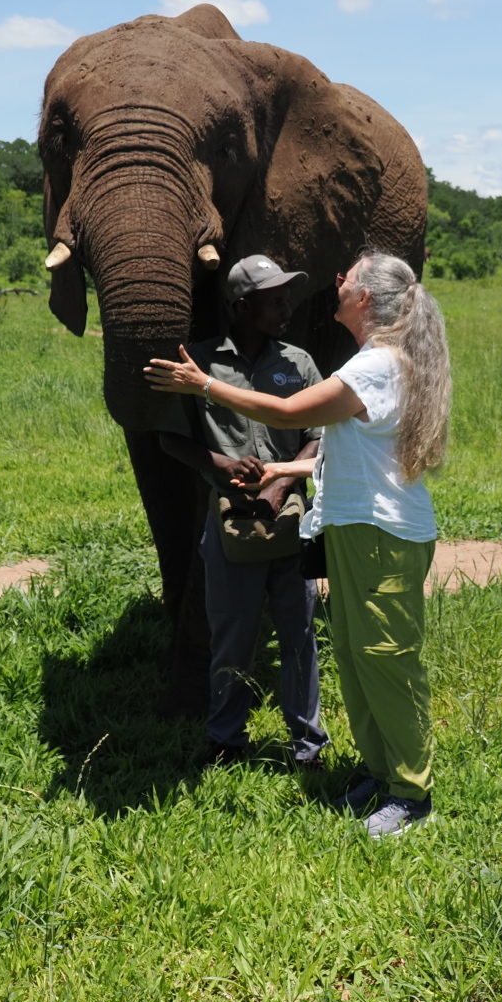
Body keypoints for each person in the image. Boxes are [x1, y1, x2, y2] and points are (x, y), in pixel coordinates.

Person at [145, 251, 450, 838]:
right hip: (358, 528)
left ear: (364, 299)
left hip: (382, 534)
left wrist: (202, 383)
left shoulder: (374, 366)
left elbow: (287, 409)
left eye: (349, 277)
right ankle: (381, 771)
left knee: (388, 663)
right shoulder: (373, 361)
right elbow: (349, 455)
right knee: (360, 664)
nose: (338, 281)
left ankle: (412, 793)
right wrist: (287, 473)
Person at [158, 256, 329, 770]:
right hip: (229, 521)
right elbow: (172, 439)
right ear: (242, 305)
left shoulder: (298, 363)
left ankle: (308, 745)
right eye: (275, 300)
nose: (286, 308)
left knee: (299, 636)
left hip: (290, 519)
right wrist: (224, 465)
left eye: (287, 298)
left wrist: (279, 479)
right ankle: (227, 739)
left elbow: (320, 436)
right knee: (231, 634)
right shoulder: (201, 363)